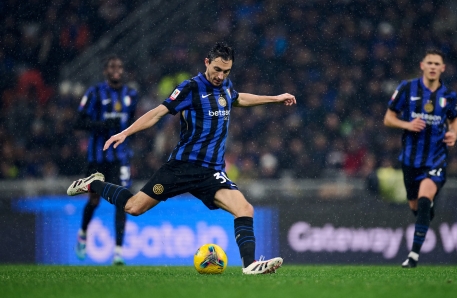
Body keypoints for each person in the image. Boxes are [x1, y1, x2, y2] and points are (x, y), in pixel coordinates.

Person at [67, 42, 296, 274]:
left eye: (226, 71)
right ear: (207, 62)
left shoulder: (226, 85)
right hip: (181, 168)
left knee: (245, 209)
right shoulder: (190, 88)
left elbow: (238, 98)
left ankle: (250, 265)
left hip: (211, 173)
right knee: (133, 207)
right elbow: (158, 113)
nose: (221, 75)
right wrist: (125, 133)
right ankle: (93, 182)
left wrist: (275, 98)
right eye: (217, 69)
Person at [383, 49, 457, 268]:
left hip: (436, 159)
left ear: (442, 68)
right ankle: (426, 213)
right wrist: (407, 124)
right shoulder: (407, 88)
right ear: (422, 65)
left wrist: (454, 134)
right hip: (409, 160)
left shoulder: (449, 95)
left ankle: (413, 256)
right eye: (430, 62)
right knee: (416, 207)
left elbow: (454, 120)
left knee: (425, 200)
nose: (433, 66)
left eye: (437, 63)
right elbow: (388, 118)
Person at [72, 55, 138, 265]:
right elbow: (79, 121)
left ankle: (118, 252)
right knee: (94, 200)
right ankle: (83, 233)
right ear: (105, 71)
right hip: (97, 157)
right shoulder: (94, 93)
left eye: (119, 66)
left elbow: (133, 123)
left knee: (123, 201)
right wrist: (101, 126)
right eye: (112, 66)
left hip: (120, 158)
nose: (116, 69)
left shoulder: (131, 95)